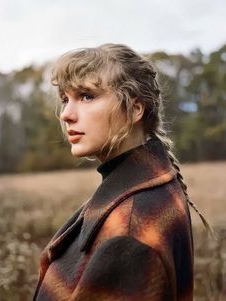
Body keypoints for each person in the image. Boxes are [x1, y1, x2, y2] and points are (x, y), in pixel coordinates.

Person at [33, 43, 211, 301]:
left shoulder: (130, 229)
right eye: (64, 99)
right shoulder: (144, 187)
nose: (66, 115)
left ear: (135, 109)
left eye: (86, 96)